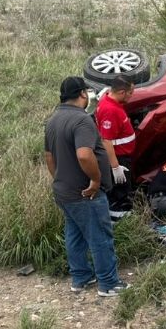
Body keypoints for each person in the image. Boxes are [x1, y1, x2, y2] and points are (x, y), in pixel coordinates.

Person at [44, 76, 128, 297]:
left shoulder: (53, 120)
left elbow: (49, 157)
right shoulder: (82, 121)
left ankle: (81, 278)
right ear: (82, 94)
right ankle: (108, 284)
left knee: (75, 235)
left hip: (65, 191)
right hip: (85, 193)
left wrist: (60, 179)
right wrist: (96, 180)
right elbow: (84, 154)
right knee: (100, 236)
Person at [95, 76, 137, 223]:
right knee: (120, 195)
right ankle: (119, 222)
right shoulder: (110, 111)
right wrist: (115, 167)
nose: (132, 95)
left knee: (120, 191)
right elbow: (106, 140)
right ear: (121, 92)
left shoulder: (108, 100)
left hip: (121, 157)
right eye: (130, 92)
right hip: (119, 159)